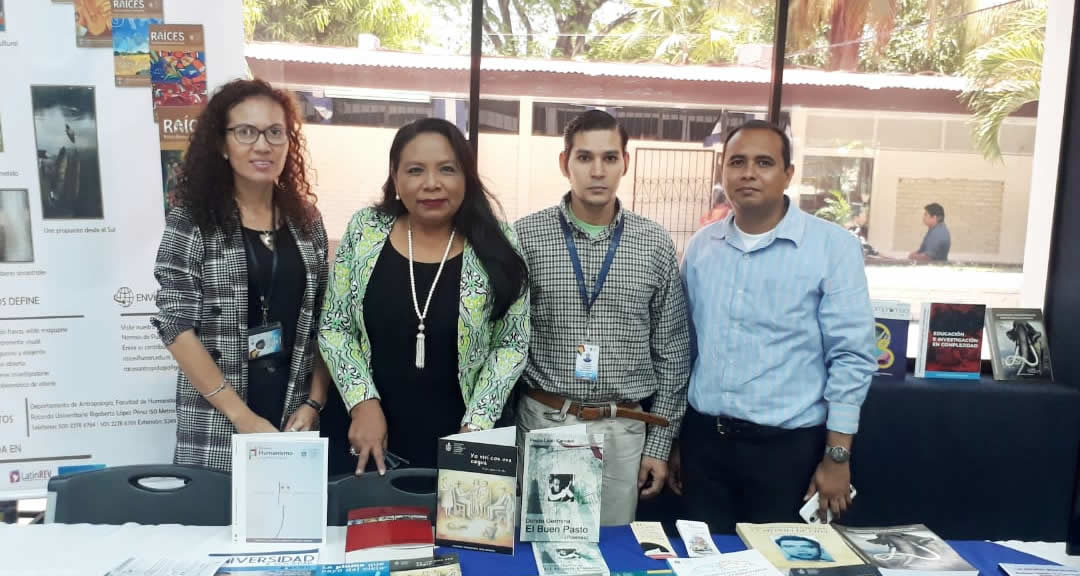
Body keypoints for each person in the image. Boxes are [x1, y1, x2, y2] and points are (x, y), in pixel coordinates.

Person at [674, 120, 876, 532]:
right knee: (701, 563)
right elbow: (685, 348)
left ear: (788, 174)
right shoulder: (702, 247)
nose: (749, 173)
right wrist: (676, 440)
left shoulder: (831, 248)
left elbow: (852, 357)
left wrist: (837, 457)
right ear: (722, 172)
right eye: (737, 162)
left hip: (788, 455)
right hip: (704, 446)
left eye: (764, 162)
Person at [319, 118, 530, 476]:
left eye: (447, 169)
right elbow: (334, 327)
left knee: (452, 533)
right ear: (396, 177)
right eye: (415, 170)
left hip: (464, 437)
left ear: (467, 176)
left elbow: (511, 343)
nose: (431, 184)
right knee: (363, 530)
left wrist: (477, 427)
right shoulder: (365, 231)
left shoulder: (498, 241)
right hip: (365, 436)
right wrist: (362, 403)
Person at [514, 109, 691, 525]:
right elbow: (503, 339)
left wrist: (659, 446)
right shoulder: (525, 237)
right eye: (585, 158)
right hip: (547, 419)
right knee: (547, 552)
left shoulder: (654, 243)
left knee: (612, 555)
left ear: (625, 163)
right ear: (565, 163)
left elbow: (673, 351)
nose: (598, 171)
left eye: (610, 158)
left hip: (623, 427)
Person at [152, 79, 331, 472]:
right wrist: (242, 417)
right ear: (221, 143)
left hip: (293, 417)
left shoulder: (306, 222)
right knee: (215, 529)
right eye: (246, 132)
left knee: (290, 525)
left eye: (274, 132)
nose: (262, 145)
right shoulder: (193, 219)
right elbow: (175, 325)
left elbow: (325, 320)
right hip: (219, 417)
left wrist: (314, 401)